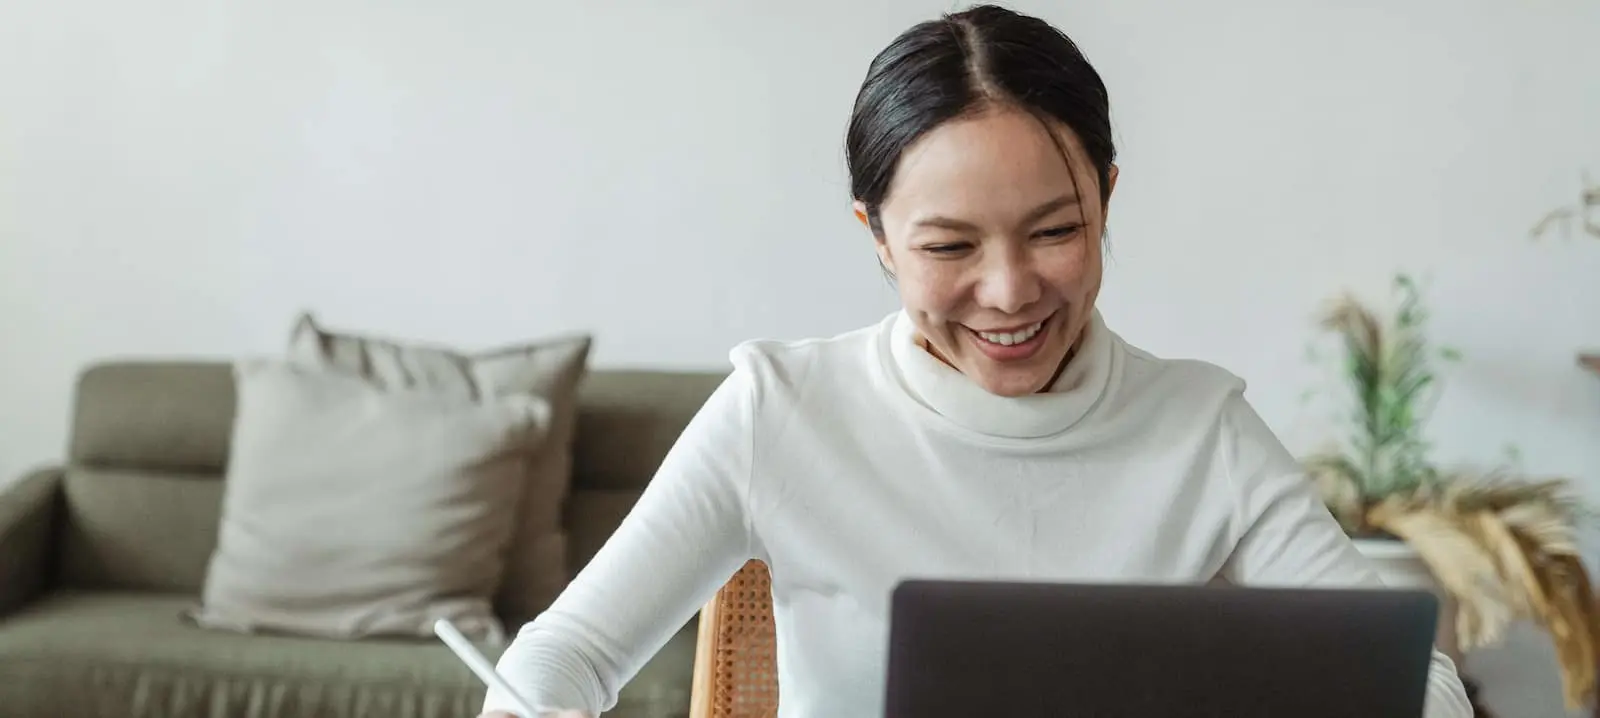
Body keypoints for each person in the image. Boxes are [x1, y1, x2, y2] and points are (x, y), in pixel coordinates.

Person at [481, 5, 1473, 717]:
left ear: (1106, 199)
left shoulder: (1199, 429)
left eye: (1055, 230)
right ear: (876, 235)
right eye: (949, 247)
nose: (1008, 293)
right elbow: (561, 659)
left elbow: (1412, 681)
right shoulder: (781, 410)